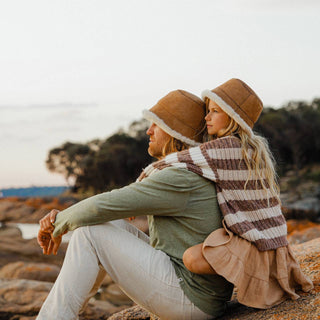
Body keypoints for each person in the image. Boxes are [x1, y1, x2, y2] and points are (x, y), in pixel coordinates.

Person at [36, 89, 234, 320]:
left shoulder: (181, 177)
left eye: (156, 125)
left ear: (174, 132)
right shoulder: (193, 170)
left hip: (191, 300)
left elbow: (103, 205)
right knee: (104, 224)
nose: (148, 131)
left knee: (90, 231)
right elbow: (105, 211)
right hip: (201, 292)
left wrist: (57, 223)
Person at [144, 78, 314, 309]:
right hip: (271, 241)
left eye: (214, 111)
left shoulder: (226, 148)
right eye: (208, 111)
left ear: (233, 118)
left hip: (258, 246)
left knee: (192, 258)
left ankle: (260, 276)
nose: (206, 118)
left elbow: (178, 159)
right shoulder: (253, 149)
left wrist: (145, 174)